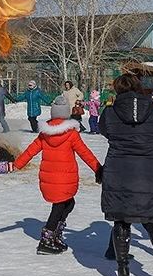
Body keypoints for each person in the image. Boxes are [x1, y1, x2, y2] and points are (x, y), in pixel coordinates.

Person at [100, 73, 153, 276]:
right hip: (151, 173)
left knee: (121, 221)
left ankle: (123, 272)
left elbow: (106, 132)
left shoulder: (110, 113)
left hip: (119, 172)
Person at [14, 96, 102, 255]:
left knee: (68, 204)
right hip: (65, 179)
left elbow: (30, 151)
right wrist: (98, 168)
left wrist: (17, 165)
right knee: (59, 207)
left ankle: (54, 234)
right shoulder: (71, 134)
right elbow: (85, 153)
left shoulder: (45, 134)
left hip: (50, 180)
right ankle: (46, 240)